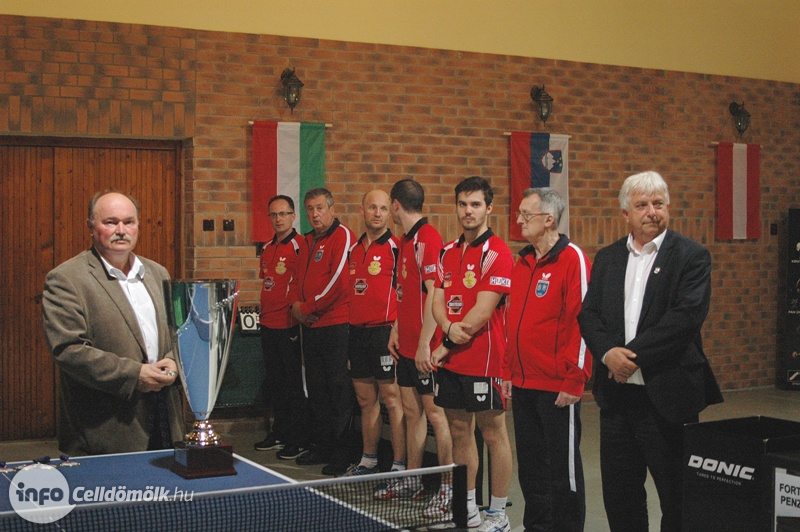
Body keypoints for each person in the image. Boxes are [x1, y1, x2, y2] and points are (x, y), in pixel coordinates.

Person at [578, 171, 723, 532]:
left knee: (677, 498)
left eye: (658, 204)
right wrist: (607, 354)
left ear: (668, 207)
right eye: (642, 205)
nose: (652, 212)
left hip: (668, 397)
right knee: (621, 499)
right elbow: (589, 315)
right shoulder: (608, 258)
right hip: (617, 400)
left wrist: (627, 358)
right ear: (625, 213)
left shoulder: (691, 256)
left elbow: (684, 320)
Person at [42, 190, 183, 456]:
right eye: (110, 222)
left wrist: (173, 361)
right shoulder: (66, 279)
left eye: (129, 222)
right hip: (106, 429)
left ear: (138, 226)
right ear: (90, 227)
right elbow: (68, 350)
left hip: (164, 418)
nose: (121, 230)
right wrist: (134, 375)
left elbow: (178, 331)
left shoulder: (158, 273)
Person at [502, 188, 592, 532]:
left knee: (562, 472)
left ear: (549, 219)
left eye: (526, 215)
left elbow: (582, 323)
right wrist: (508, 371)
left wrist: (575, 379)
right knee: (532, 469)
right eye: (520, 213)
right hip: (523, 382)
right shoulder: (523, 261)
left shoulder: (573, 259)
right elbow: (513, 321)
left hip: (557, 387)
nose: (519, 220)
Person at [431, 176, 514, 531]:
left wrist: (446, 342)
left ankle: (498, 514)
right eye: (463, 204)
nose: (468, 211)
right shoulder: (447, 251)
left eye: (476, 204)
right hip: (453, 361)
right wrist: (447, 329)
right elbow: (437, 300)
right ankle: (467, 509)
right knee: (459, 431)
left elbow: (482, 312)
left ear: (489, 208)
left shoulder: (498, 252)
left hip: (485, 359)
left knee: (493, 433)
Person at [379, 179, 453, 518]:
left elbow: (434, 293)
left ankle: (448, 490)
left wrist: (425, 343)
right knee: (412, 413)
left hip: (426, 349)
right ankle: (413, 479)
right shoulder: (406, 240)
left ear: (395, 205)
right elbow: (406, 292)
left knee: (437, 416)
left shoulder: (428, 238)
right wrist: (396, 328)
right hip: (406, 346)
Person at [288, 187, 357, 475]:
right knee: (316, 389)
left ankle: (343, 453)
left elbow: (339, 281)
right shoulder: (306, 241)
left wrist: (308, 307)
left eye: (320, 208)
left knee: (338, 390)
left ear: (331, 208)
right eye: (310, 209)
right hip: (310, 325)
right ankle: (322, 446)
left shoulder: (343, 236)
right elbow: (296, 278)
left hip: (336, 324)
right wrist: (296, 306)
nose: (315, 214)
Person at [343, 190, 406, 476]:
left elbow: (405, 293)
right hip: (357, 333)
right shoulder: (354, 250)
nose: (377, 213)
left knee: (392, 400)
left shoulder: (396, 247)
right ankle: (368, 461)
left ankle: (398, 465)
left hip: (385, 334)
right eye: (372, 207)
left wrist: (397, 328)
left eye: (383, 208)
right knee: (366, 401)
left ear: (389, 213)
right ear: (362, 210)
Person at [253, 195, 310, 461]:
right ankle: (280, 433)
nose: (278, 219)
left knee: (293, 384)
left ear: (293, 216)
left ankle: (298, 438)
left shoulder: (301, 246)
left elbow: (302, 284)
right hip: (267, 324)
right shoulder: (267, 247)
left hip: (289, 325)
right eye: (274, 215)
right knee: (275, 383)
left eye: (283, 214)